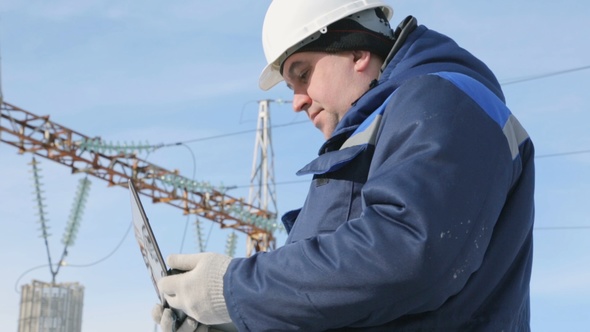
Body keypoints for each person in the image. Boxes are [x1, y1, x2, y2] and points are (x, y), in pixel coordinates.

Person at [153, 0, 535, 330]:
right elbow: (339, 300)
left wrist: (234, 289)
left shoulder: (444, 101)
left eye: (302, 74)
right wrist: (231, 323)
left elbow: (407, 252)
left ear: (357, 51)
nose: (298, 102)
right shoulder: (385, 127)